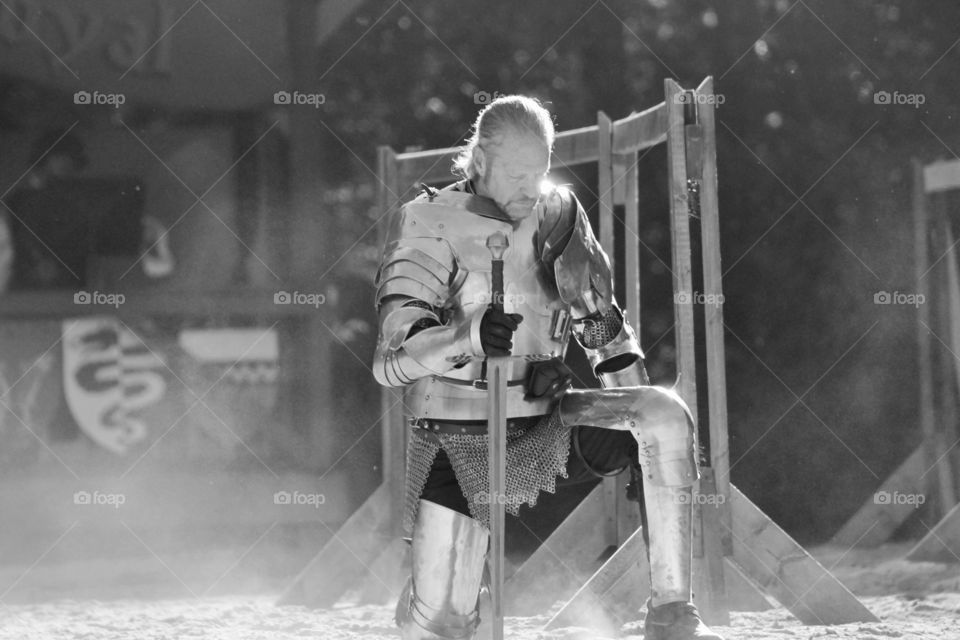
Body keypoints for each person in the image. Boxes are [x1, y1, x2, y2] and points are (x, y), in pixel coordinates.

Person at [372, 95, 723, 640]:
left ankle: (673, 616)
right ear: (480, 160)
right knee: (444, 626)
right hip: (457, 436)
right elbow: (390, 360)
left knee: (663, 415)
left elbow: (603, 329)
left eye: (540, 172)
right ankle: (435, 593)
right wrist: (467, 335)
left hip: (546, 421)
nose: (530, 188)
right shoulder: (427, 221)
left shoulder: (557, 213)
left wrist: (641, 428)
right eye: (516, 174)